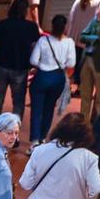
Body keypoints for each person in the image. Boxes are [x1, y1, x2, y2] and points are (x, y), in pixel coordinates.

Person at [0, 0, 41, 123]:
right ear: (26, 11)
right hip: (21, 68)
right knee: (18, 102)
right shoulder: (31, 27)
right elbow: (35, 48)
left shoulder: (3, 24)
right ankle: (14, 131)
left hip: (2, 66)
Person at [29, 15, 77, 146]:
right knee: (49, 108)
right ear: (65, 27)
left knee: (36, 109)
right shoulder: (69, 43)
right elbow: (71, 62)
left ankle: (34, 141)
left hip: (42, 77)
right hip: (58, 78)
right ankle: (43, 137)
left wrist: (41, 65)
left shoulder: (43, 41)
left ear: (52, 25)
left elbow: (33, 60)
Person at [68, 0, 100, 84]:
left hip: (75, 36)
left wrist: (69, 35)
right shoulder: (99, 2)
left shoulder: (78, 1)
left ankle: (70, 82)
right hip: (87, 38)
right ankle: (79, 85)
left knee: (74, 62)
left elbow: (71, 18)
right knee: (84, 64)